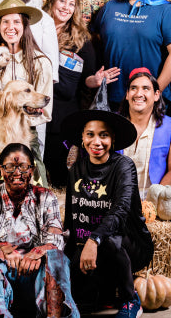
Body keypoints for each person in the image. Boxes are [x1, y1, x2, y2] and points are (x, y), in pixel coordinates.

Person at [0, 143, 78, 318]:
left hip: (35, 276)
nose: (17, 173)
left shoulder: (46, 196)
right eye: (10, 166)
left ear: (32, 170)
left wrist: (36, 252)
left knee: (56, 256)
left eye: (23, 166)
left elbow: (55, 240)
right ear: (1, 170)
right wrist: (6, 249)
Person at [61, 108, 153, 317]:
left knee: (111, 240)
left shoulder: (123, 166)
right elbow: (72, 214)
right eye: (90, 134)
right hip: (87, 244)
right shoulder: (76, 169)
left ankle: (131, 299)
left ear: (112, 138)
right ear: (82, 137)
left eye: (104, 135)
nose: (97, 141)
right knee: (83, 302)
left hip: (125, 243)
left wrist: (94, 239)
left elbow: (120, 211)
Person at [42, 0, 119, 187]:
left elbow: (87, 79)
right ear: (51, 2)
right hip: (35, 107)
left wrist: (95, 80)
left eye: (71, 4)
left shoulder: (81, 39)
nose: (66, 7)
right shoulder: (34, 28)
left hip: (62, 113)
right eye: (62, 1)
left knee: (55, 163)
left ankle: (65, 203)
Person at [0, 0, 53, 177]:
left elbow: (45, 109)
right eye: (5, 21)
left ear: (24, 25)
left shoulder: (40, 62)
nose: (10, 27)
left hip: (24, 132)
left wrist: (15, 122)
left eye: (16, 21)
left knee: (35, 185)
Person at [91, 0, 171, 110]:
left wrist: (155, 92)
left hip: (149, 103)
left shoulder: (166, 10)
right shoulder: (110, 7)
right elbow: (95, 44)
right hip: (112, 100)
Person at [119, 68, 171, 197]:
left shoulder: (169, 126)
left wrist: (154, 198)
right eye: (133, 88)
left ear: (156, 95)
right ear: (127, 94)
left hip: (153, 202)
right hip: (115, 201)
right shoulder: (113, 124)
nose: (139, 93)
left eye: (146, 88)